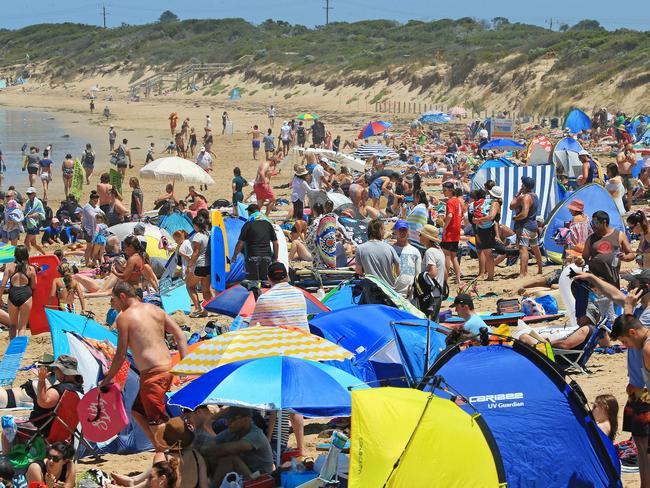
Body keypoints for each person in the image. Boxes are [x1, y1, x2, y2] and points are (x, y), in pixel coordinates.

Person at [99, 281, 188, 454]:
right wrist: (185, 363)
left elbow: (121, 355)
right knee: (137, 412)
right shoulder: (155, 310)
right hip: (167, 369)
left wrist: (108, 378)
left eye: (114, 300)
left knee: (157, 421)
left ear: (122, 296)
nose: (114, 305)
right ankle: (159, 449)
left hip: (152, 375)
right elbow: (179, 335)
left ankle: (169, 456)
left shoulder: (124, 317)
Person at [1, 355, 84, 454]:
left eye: (55, 369)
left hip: (43, 429)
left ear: (63, 371)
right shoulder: (78, 390)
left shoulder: (60, 390)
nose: (54, 372)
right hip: (66, 430)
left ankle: (6, 460)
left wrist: (41, 380)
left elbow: (44, 402)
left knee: (8, 425)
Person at [577, 210, 634, 324]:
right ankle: (606, 328)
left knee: (608, 309)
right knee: (605, 310)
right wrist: (580, 261)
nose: (593, 226)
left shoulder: (619, 235)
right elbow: (585, 258)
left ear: (604, 222)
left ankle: (607, 328)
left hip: (612, 279)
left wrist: (624, 257)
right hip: (596, 280)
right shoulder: (591, 238)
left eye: (595, 223)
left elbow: (631, 254)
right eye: (592, 223)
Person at [212, 407, 274, 486]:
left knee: (230, 458)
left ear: (246, 420)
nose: (227, 423)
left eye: (232, 420)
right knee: (212, 457)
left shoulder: (256, 435)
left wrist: (204, 450)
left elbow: (229, 449)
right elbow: (212, 443)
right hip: (248, 474)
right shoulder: (232, 431)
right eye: (227, 420)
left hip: (261, 478)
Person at [232, 204, 278, 282]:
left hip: (252, 257)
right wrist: (275, 258)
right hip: (267, 256)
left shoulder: (247, 224)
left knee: (252, 284)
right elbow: (275, 243)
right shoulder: (268, 224)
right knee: (265, 282)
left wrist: (234, 256)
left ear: (250, 212)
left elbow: (240, 243)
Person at [510, 176, 543, 278]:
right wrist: (518, 194)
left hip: (525, 226)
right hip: (533, 225)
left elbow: (521, 212)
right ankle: (540, 270)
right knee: (535, 248)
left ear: (525, 185)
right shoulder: (535, 196)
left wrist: (515, 218)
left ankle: (522, 273)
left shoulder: (526, 197)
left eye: (522, 184)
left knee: (523, 249)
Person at [0, 245, 36, 338]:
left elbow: (3, 285)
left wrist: (0, 298)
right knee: (22, 327)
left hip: (13, 295)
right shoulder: (31, 269)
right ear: (26, 255)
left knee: (12, 326)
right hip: (26, 295)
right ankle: (19, 350)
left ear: (15, 255)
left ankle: (12, 348)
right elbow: (33, 286)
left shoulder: (9, 267)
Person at [355, 219, 400, 288]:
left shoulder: (360, 249)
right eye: (384, 229)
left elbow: (359, 272)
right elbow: (398, 270)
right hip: (389, 291)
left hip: (370, 291)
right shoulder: (390, 248)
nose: (385, 231)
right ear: (380, 230)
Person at [186, 215, 212, 318]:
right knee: (206, 289)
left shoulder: (197, 236)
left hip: (200, 265)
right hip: (208, 265)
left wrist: (189, 265)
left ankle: (197, 308)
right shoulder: (208, 235)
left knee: (190, 286)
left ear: (196, 225)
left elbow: (196, 253)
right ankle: (208, 309)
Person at [392, 219, 421, 299]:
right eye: (400, 230)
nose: (402, 232)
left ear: (408, 231)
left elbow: (418, 274)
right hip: (392, 292)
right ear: (395, 231)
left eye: (404, 230)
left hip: (409, 294)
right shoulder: (390, 250)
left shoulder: (415, 251)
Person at [441, 181, 462, 285]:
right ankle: (458, 279)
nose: (443, 192)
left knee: (446, 256)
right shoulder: (458, 201)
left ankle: (445, 279)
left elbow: (450, 215)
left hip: (450, 231)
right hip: (456, 231)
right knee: (454, 257)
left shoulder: (450, 202)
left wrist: (444, 228)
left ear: (451, 191)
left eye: (445, 190)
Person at [81, 191, 103, 264]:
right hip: (88, 229)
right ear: (91, 199)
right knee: (89, 246)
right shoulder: (87, 207)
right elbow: (93, 215)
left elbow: (102, 213)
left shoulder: (96, 206)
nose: (96, 202)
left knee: (94, 245)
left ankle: (92, 260)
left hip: (95, 228)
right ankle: (87, 261)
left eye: (97, 200)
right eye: (94, 201)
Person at [23, 187, 46, 255]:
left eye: (30, 193)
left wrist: (32, 215)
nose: (29, 195)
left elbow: (42, 214)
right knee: (33, 244)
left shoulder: (38, 203)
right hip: (29, 224)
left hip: (34, 225)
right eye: (28, 194)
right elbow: (26, 212)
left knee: (26, 242)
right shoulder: (28, 202)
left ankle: (27, 257)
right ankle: (44, 254)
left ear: (34, 194)